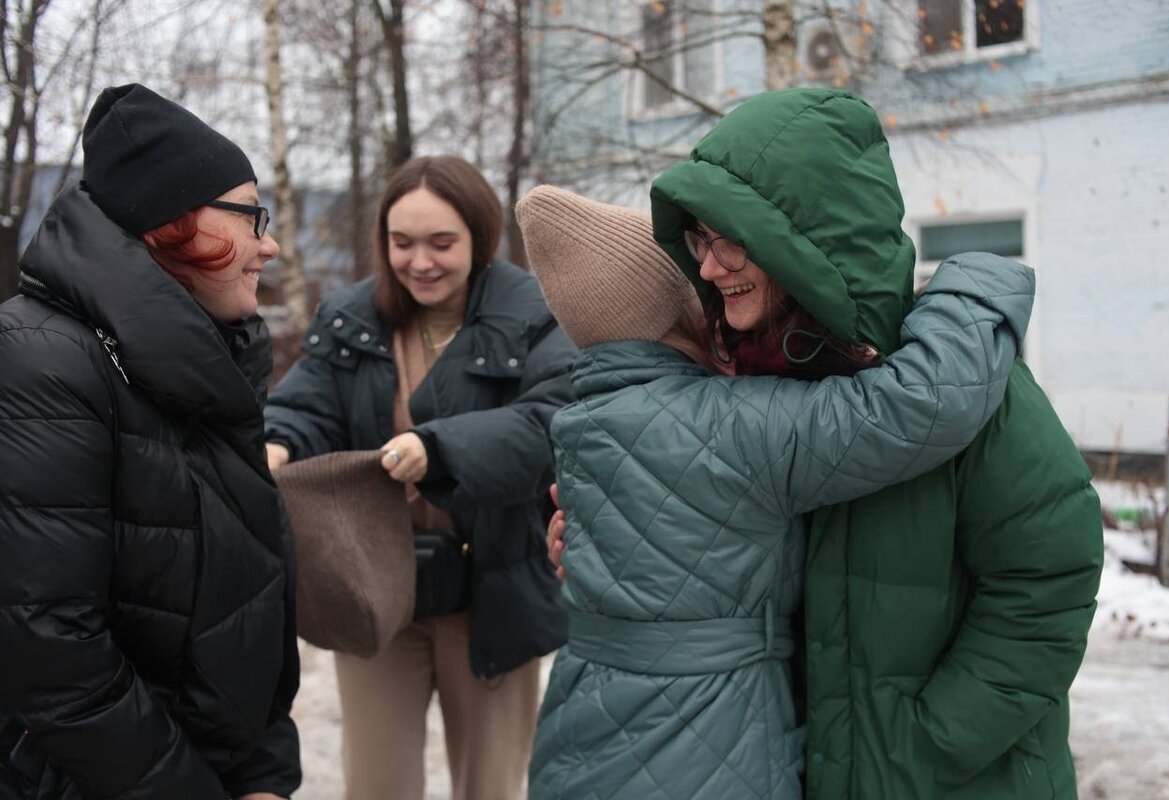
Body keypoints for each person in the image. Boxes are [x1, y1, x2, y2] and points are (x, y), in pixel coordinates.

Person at [646, 88, 1104, 799]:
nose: (708, 267)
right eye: (701, 240)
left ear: (807, 237)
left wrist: (924, 745)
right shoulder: (751, 383)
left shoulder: (975, 390)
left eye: (731, 238)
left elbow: (1048, 578)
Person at [517, 184, 1033, 799]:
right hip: (706, 745)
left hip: (581, 727)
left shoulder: (582, 422)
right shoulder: (733, 423)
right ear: (678, 307)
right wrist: (976, 280)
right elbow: (921, 405)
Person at [0, 84, 299, 799]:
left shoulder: (210, 366)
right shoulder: (41, 362)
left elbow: (255, 591)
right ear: (170, 222)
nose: (271, 244)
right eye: (251, 216)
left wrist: (263, 773)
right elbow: (53, 651)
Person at [262, 156, 576, 799]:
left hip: (494, 589)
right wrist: (277, 442)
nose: (420, 262)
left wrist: (441, 447)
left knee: (488, 786)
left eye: (442, 243)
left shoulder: (537, 312)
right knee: (376, 785)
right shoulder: (349, 316)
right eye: (402, 243)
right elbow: (306, 403)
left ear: (479, 238)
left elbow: (553, 421)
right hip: (376, 583)